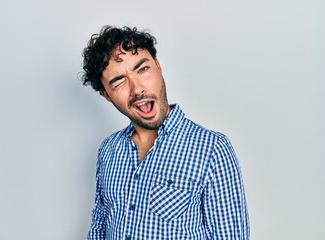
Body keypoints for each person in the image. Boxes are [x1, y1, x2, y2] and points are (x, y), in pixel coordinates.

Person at [81, 26, 250, 240]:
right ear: (106, 95)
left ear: (158, 67)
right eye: (119, 81)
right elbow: (100, 225)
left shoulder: (212, 148)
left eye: (142, 69)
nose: (137, 89)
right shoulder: (109, 150)